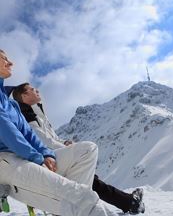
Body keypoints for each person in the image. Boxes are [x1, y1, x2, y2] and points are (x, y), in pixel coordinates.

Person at [0, 49, 119, 216]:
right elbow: (8, 132)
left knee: (87, 150)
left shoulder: (11, 105)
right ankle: (76, 203)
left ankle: (68, 205)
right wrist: (38, 158)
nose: (10, 63)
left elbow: (29, 134)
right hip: (6, 161)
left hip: (27, 156)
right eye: (4, 59)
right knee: (83, 199)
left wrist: (47, 154)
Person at [11, 83, 145, 215]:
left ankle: (129, 202)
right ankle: (125, 203)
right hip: (45, 159)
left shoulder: (36, 111)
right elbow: (42, 141)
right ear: (25, 95)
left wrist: (65, 143)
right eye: (32, 89)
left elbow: (51, 137)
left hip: (51, 155)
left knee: (89, 178)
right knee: (87, 156)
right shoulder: (25, 113)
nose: (37, 90)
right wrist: (68, 148)